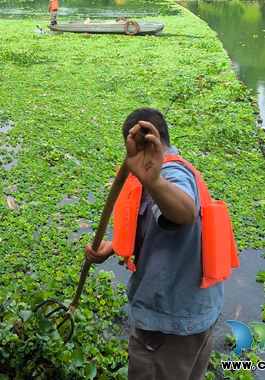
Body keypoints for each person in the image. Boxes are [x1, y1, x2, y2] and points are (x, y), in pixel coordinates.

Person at [85, 107, 225, 380]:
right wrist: (113, 246)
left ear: (147, 140)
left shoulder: (171, 175)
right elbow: (157, 226)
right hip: (198, 311)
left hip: (171, 325)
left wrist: (153, 179)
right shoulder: (171, 171)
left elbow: (185, 213)